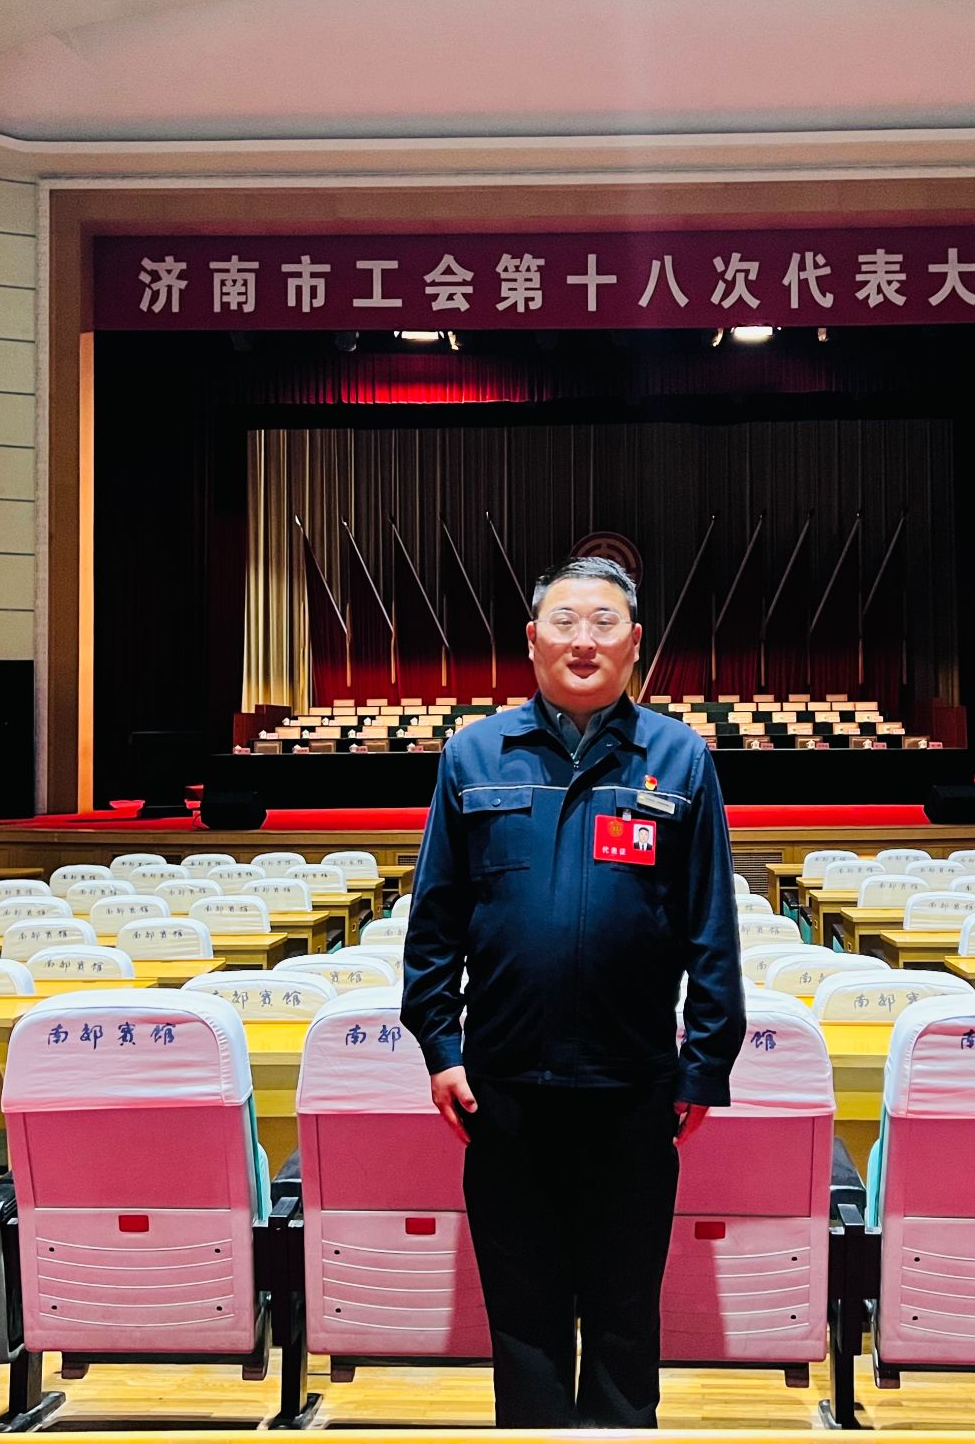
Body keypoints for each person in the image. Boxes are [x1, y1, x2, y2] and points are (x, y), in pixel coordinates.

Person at [401, 555, 745, 1428]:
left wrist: (705, 1068)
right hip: (505, 1088)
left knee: (626, 1314)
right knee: (524, 1318)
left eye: (603, 623)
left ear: (635, 643)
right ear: (532, 640)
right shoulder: (474, 755)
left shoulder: (679, 757)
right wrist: (440, 1048)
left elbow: (710, 926)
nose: (583, 640)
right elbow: (436, 920)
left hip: (635, 1089)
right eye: (564, 622)